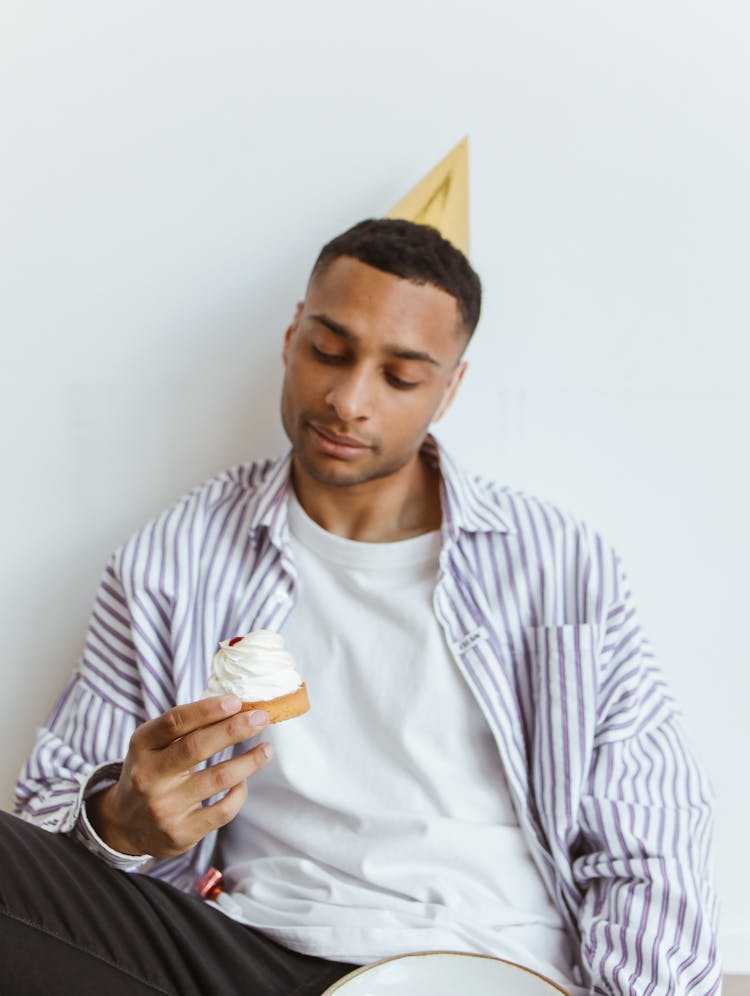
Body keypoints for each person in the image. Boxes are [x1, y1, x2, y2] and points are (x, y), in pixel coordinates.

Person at [3, 219, 719, 995]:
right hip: (247, 956)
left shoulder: (557, 564)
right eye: (329, 352)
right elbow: (50, 823)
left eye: (401, 377)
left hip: (486, 964)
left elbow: (649, 841)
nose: (348, 401)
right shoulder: (174, 559)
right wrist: (118, 826)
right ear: (290, 337)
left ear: (451, 390)